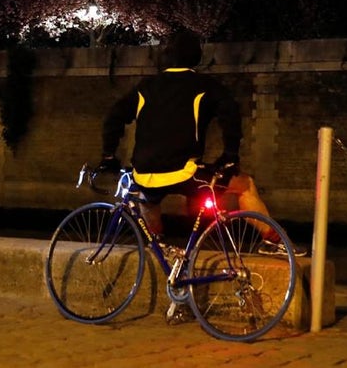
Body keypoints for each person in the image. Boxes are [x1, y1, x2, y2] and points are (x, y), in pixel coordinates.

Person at [98, 29, 303, 323]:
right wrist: (230, 157)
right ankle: (272, 240)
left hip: (145, 173)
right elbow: (230, 113)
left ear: (166, 57)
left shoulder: (146, 86)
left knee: (147, 200)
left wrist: (108, 154)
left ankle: (166, 250)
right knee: (243, 185)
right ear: (197, 57)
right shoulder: (203, 85)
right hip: (184, 172)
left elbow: (114, 116)